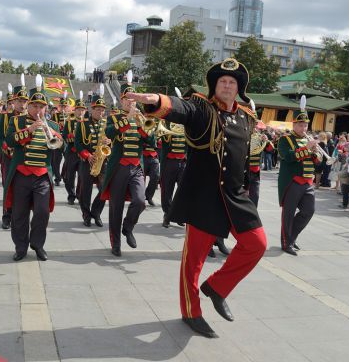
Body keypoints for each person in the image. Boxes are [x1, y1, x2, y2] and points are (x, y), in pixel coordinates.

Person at [128, 58, 267, 338]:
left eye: (232, 83)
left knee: (257, 244)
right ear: (215, 86)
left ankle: (216, 288)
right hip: (204, 195)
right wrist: (156, 101)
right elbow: (182, 109)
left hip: (235, 195)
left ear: (239, 88)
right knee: (194, 262)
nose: (227, 86)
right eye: (222, 82)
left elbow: (245, 158)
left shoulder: (247, 118)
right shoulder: (203, 108)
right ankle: (191, 312)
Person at [4, 75, 63, 261]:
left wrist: (55, 136)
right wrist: (28, 131)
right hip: (21, 174)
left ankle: (38, 244)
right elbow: (9, 140)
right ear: (28, 105)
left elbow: (64, 147)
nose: (38, 110)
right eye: (34, 106)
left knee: (42, 212)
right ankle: (20, 247)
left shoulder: (53, 124)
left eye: (41, 106)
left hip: (43, 176)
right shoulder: (17, 121)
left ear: (46, 108)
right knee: (19, 214)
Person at [100, 73, 155, 257]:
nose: (130, 103)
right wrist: (128, 118)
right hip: (118, 168)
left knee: (140, 201)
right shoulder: (113, 118)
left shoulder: (141, 119)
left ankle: (128, 227)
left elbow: (152, 140)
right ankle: (115, 242)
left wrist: (140, 123)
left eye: (133, 100)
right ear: (121, 101)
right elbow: (110, 133)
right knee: (115, 207)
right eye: (127, 100)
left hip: (136, 168)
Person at [277, 96, 322, 256]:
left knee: (308, 211)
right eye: (300, 124)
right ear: (294, 124)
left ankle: (292, 237)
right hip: (293, 181)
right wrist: (307, 149)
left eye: (305, 125)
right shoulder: (285, 139)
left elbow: (317, 162)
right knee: (288, 214)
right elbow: (288, 157)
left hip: (308, 181)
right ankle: (286, 242)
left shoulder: (308, 140)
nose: (304, 128)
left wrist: (316, 153)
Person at [0, 81, 28, 229]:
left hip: (24, 158)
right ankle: (6, 215)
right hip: (9, 156)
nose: (22, 104)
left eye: (24, 101)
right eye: (19, 101)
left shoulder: (30, 117)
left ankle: (19, 215)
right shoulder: (5, 116)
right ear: (13, 102)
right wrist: (6, 148)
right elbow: (2, 137)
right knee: (8, 185)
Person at [74, 93, 108, 227]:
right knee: (85, 191)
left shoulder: (106, 124)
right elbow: (77, 144)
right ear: (91, 110)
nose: (100, 112)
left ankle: (96, 212)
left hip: (102, 160)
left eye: (102, 110)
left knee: (104, 188)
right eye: (98, 109)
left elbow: (114, 141)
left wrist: (109, 141)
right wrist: (87, 156)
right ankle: (86, 214)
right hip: (87, 161)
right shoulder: (82, 125)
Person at [159, 119, 187, 228]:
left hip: (183, 163)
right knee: (167, 190)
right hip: (169, 162)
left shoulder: (186, 124)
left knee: (183, 190)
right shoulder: (166, 123)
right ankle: (167, 215)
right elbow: (164, 141)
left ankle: (179, 214)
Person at [62, 96, 86, 204]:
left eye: (82, 109)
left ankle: (79, 193)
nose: (80, 112)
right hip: (71, 152)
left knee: (82, 175)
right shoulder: (69, 121)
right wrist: (69, 137)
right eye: (78, 109)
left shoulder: (87, 122)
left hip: (82, 154)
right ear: (75, 110)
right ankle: (71, 194)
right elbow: (64, 135)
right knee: (69, 176)